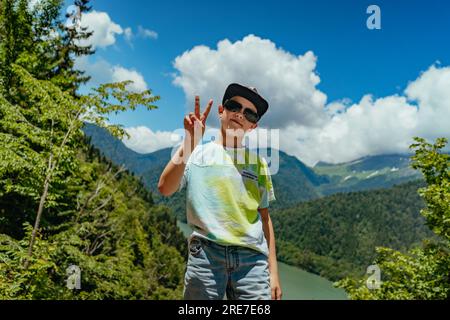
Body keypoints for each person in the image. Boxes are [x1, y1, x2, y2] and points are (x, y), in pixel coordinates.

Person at [158, 83, 282, 300]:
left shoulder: (260, 164)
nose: (240, 115)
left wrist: (274, 273)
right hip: (206, 254)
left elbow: (265, 218)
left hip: (252, 260)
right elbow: (165, 188)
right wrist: (190, 142)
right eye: (234, 106)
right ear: (221, 110)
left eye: (250, 114)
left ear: (253, 126)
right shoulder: (196, 153)